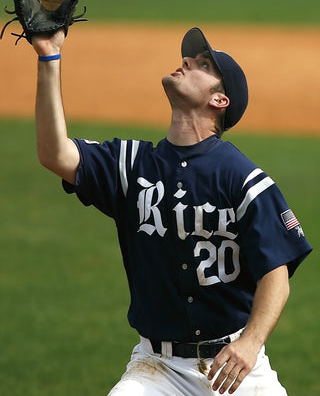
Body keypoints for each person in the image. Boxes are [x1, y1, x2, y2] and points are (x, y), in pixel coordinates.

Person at [32, 26, 312, 396]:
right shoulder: (132, 165)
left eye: (202, 64)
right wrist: (49, 56)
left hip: (237, 366)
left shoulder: (242, 179)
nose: (185, 61)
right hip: (157, 368)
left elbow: (276, 275)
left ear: (219, 100)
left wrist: (250, 342)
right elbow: (55, 154)